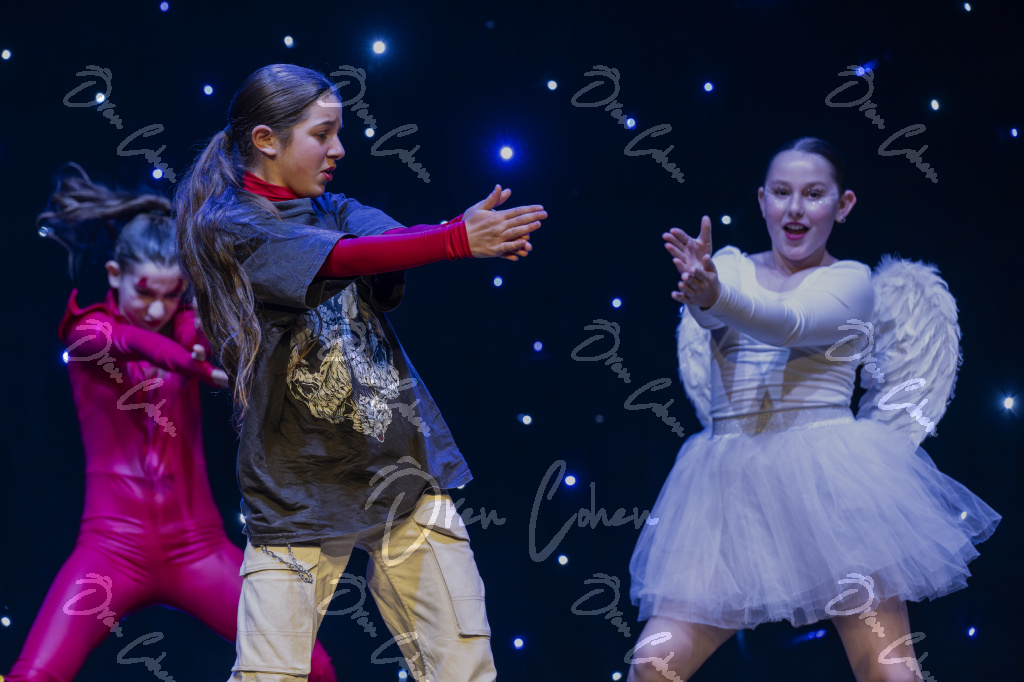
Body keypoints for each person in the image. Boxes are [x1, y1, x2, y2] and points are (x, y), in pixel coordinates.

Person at [173, 63, 547, 681]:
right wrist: (454, 240)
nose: (339, 149)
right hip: (297, 490)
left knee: (464, 669)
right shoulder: (231, 227)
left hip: (401, 476)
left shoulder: (335, 207)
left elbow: (390, 242)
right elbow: (345, 259)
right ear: (266, 140)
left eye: (338, 133)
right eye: (322, 134)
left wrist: (453, 233)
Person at [626, 137, 1000, 682]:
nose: (795, 209)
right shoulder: (726, 267)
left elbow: (789, 323)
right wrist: (707, 296)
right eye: (781, 192)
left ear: (842, 205)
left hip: (830, 487)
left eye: (814, 194)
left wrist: (714, 297)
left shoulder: (851, 281)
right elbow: (710, 316)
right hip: (725, 491)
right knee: (653, 664)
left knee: (887, 669)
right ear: (762, 201)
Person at [5, 166, 337, 681]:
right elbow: (132, 343)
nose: (156, 308)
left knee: (310, 664)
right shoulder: (89, 332)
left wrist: (210, 342)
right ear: (114, 275)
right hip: (110, 551)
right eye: (144, 293)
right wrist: (192, 366)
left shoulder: (184, 326)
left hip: (196, 550)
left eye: (170, 294)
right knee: (35, 675)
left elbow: (195, 330)